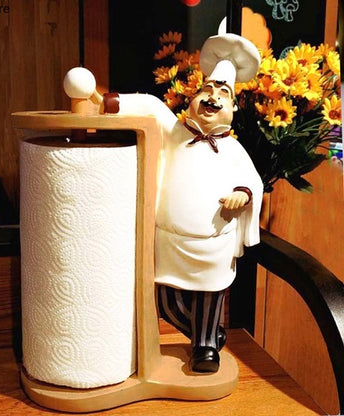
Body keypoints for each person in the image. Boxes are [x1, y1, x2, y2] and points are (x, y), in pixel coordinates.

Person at [101, 33, 264, 373]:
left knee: (210, 296)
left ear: (233, 108)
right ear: (193, 97)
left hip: (213, 243)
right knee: (166, 303)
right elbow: (149, 105)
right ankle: (207, 334)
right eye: (207, 90)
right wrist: (106, 102)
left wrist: (243, 194)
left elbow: (253, 182)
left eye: (223, 94)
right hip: (169, 240)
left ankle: (205, 348)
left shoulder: (233, 149)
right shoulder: (173, 131)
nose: (213, 98)